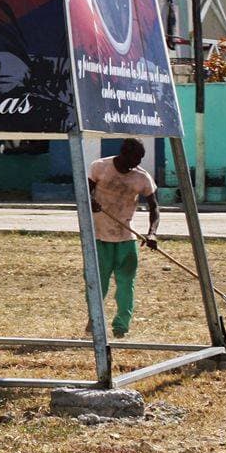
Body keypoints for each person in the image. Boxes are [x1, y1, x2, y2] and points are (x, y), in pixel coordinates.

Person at [88, 138, 159, 338]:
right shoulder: (99, 167)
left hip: (127, 238)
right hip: (98, 237)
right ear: (123, 153)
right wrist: (90, 201)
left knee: (126, 284)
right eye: (134, 158)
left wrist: (152, 232)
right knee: (96, 283)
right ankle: (94, 321)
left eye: (140, 159)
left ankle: (121, 327)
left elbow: (155, 207)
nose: (137, 164)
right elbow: (83, 191)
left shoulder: (142, 177)